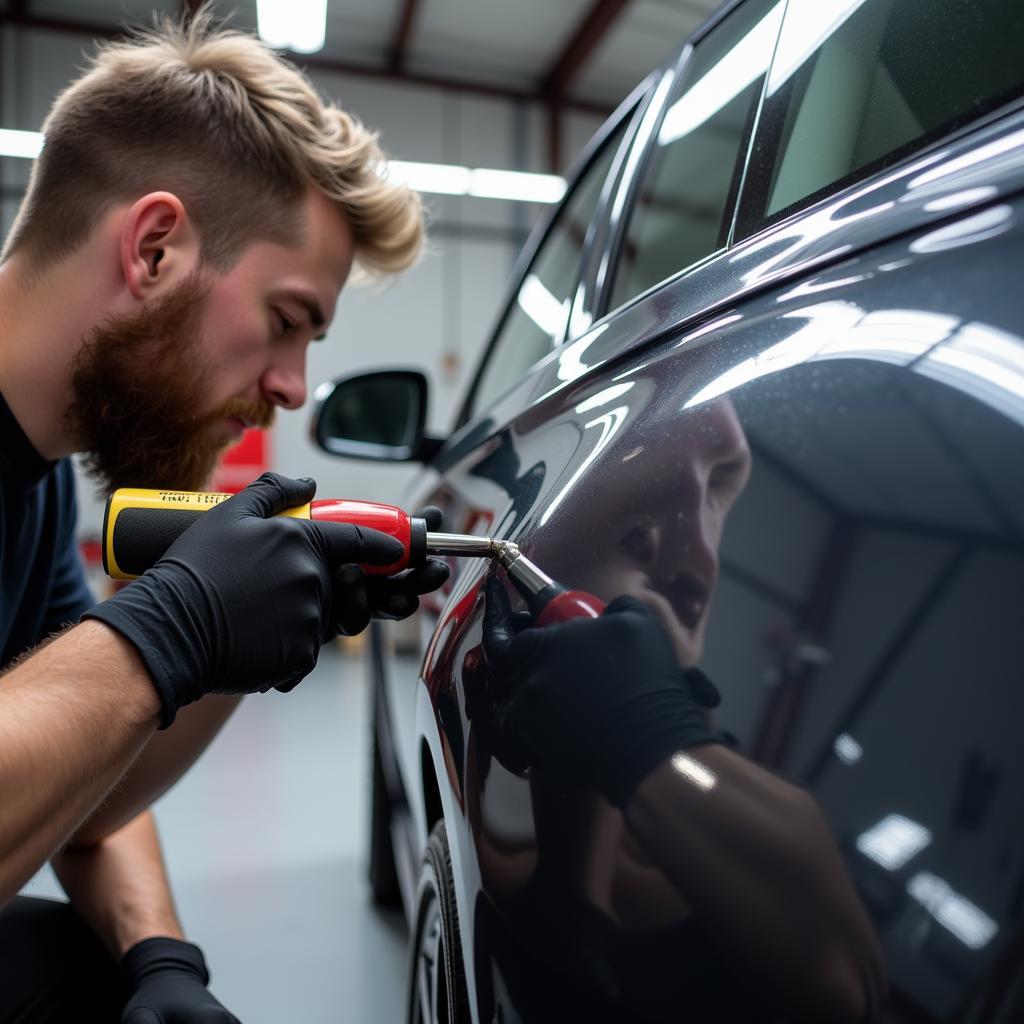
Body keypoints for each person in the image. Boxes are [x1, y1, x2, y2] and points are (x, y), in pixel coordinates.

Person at [0, 14, 447, 1021]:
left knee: (87, 968)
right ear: (155, 248)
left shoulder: (30, 487)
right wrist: (169, 629)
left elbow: (80, 783)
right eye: (287, 322)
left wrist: (160, 957)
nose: (293, 389)